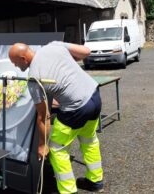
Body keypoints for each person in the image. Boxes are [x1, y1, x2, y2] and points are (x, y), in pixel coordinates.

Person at [9, 41, 104, 193]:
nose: (15, 66)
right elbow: (86, 52)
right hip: (94, 96)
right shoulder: (54, 46)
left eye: (15, 63)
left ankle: (68, 190)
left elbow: (43, 115)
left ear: (23, 58)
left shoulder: (34, 78)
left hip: (76, 108)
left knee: (56, 149)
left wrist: (42, 144)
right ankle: (95, 181)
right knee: (89, 140)